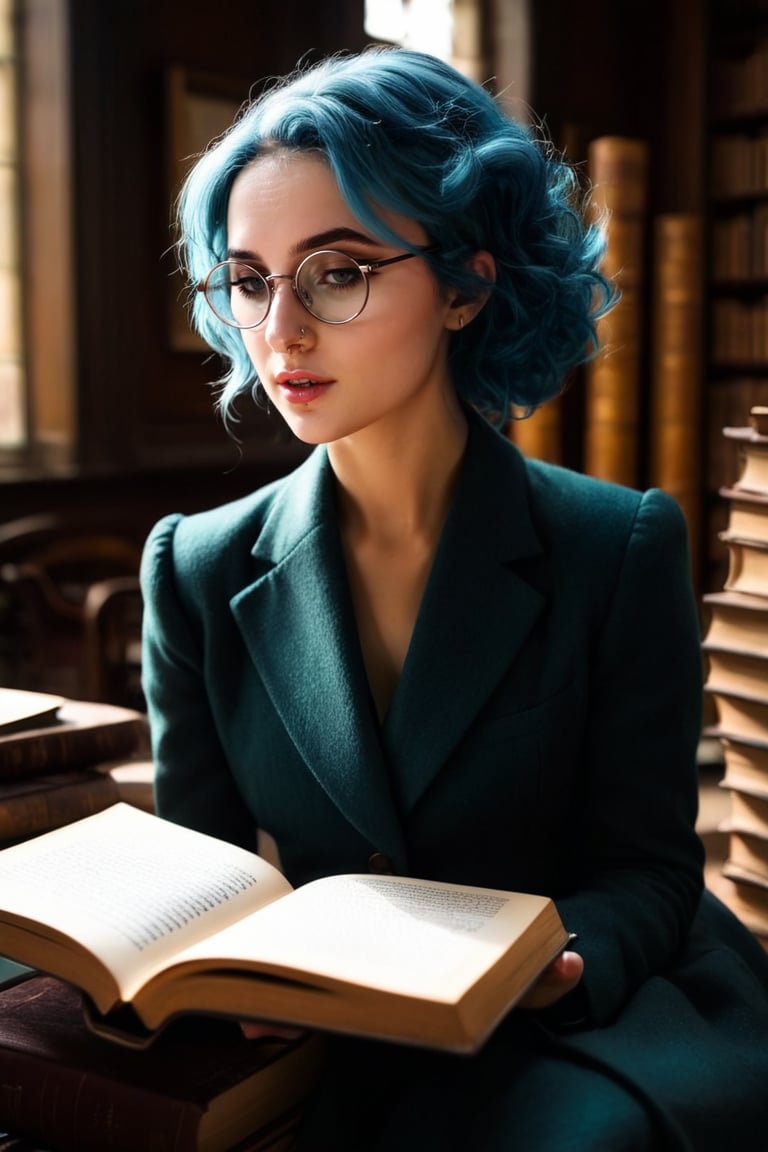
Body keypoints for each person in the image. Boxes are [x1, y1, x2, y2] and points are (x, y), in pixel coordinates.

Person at [140, 46, 768, 1150]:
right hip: (327, 1039)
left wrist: (570, 963)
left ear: (468, 284)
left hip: (577, 1028)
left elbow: (653, 870)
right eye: (248, 279)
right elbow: (206, 880)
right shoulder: (194, 566)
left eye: (337, 272)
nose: (280, 329)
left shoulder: (616, 547)